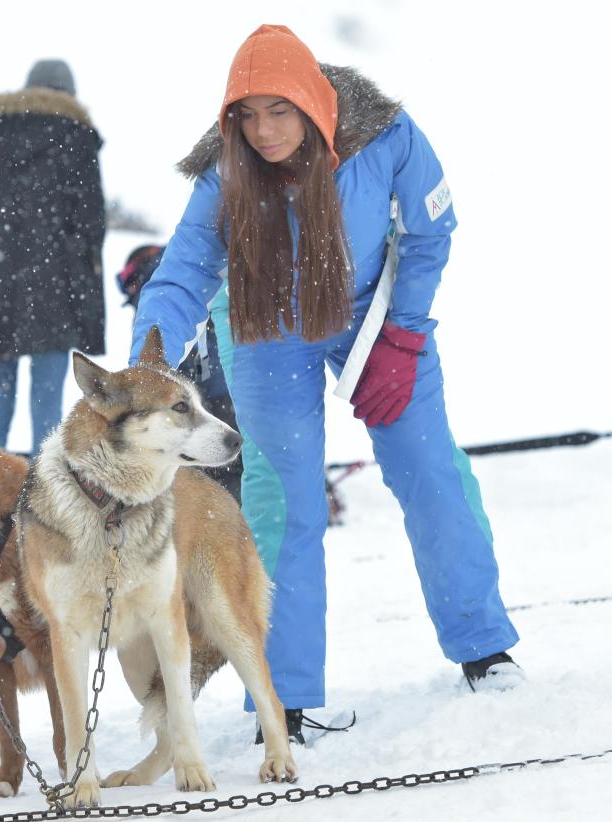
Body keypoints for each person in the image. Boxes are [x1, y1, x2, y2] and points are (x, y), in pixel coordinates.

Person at [129, 25, 522, 742]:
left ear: (313, 102)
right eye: (247, 114)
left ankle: (484, 647)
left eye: (279, 111)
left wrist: (403, 333)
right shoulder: (228, 173)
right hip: (266, 326)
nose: (264, 130)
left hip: (375, 318)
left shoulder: (388, 138)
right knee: (284, 502)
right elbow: (183, 271)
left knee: (431, 472)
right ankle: (286, 698)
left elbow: (433, 229)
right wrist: (148, 362)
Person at [0, 59, 105, 454]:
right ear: (68, 95)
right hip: (55, 290)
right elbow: (89, 226)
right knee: (47, 403)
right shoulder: (76, 135)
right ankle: (42, 495)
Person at [117, 244, 242, 502]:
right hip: (232, 384)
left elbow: (161, 361)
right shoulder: (190, 270)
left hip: (197, 394)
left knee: (203, 470)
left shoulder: (155, 295)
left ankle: (213, 516)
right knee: (237, 463)